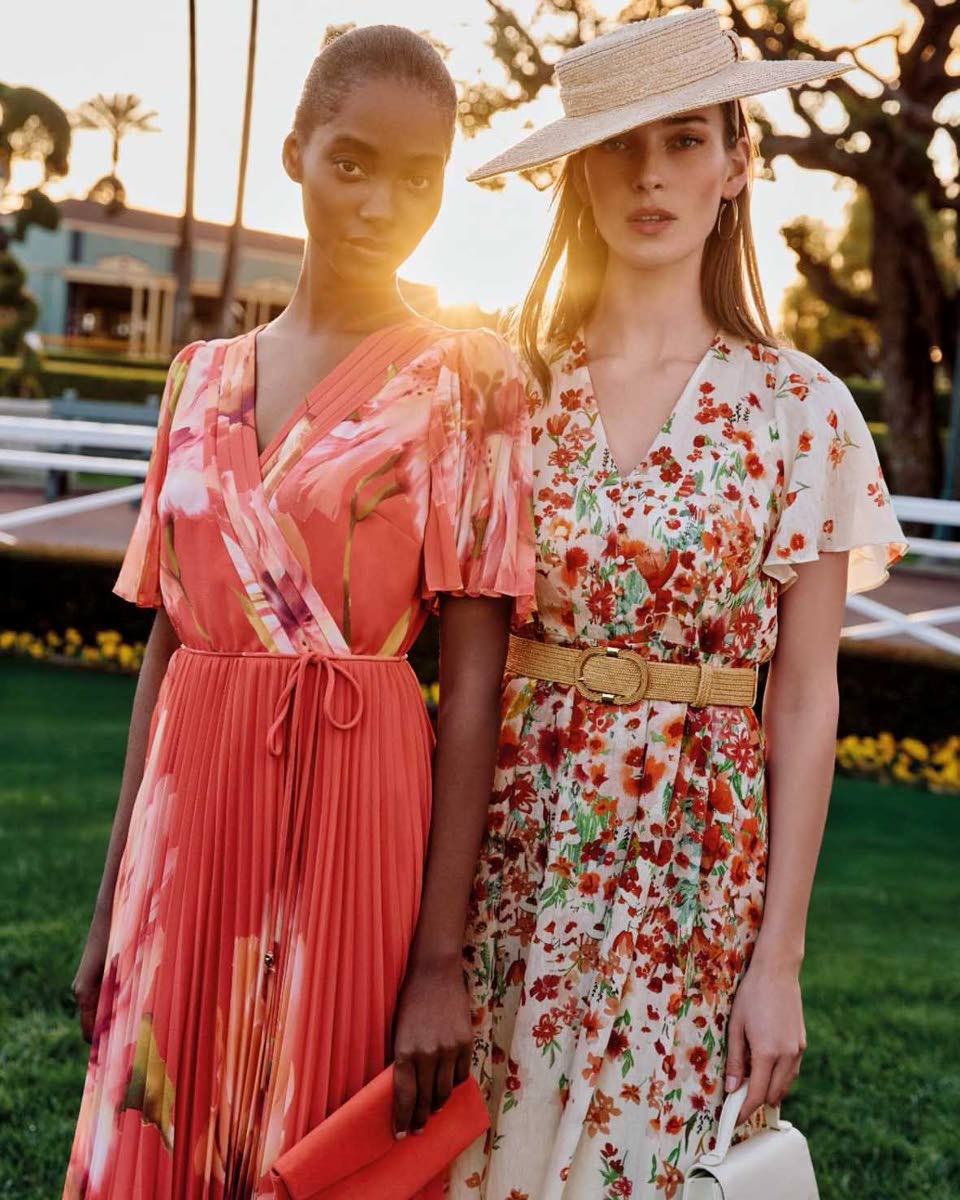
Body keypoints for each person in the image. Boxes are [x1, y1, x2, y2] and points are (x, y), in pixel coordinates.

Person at [64, 26, 534, 1200]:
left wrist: (439, 962)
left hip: (358, 812)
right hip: (193, 814)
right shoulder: (198, 379)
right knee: (157, 1133)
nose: (382, 202)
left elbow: (475, 684)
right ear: (296, 155)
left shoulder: (471, 383)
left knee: (312, 1152)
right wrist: (116, 894)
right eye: (353, 161)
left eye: (419, 178)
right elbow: (170, 643)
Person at [451, 10, 906, 1198]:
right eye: (618, 145)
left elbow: (806, 696)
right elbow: (466, 663)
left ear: (737, 164)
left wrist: (780, 960)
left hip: (695, 873)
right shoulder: (507, 386)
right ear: (578, 171)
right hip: (513, 848)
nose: (651, 173)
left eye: (686, 139)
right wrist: (431, 938)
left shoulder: (801, 409)